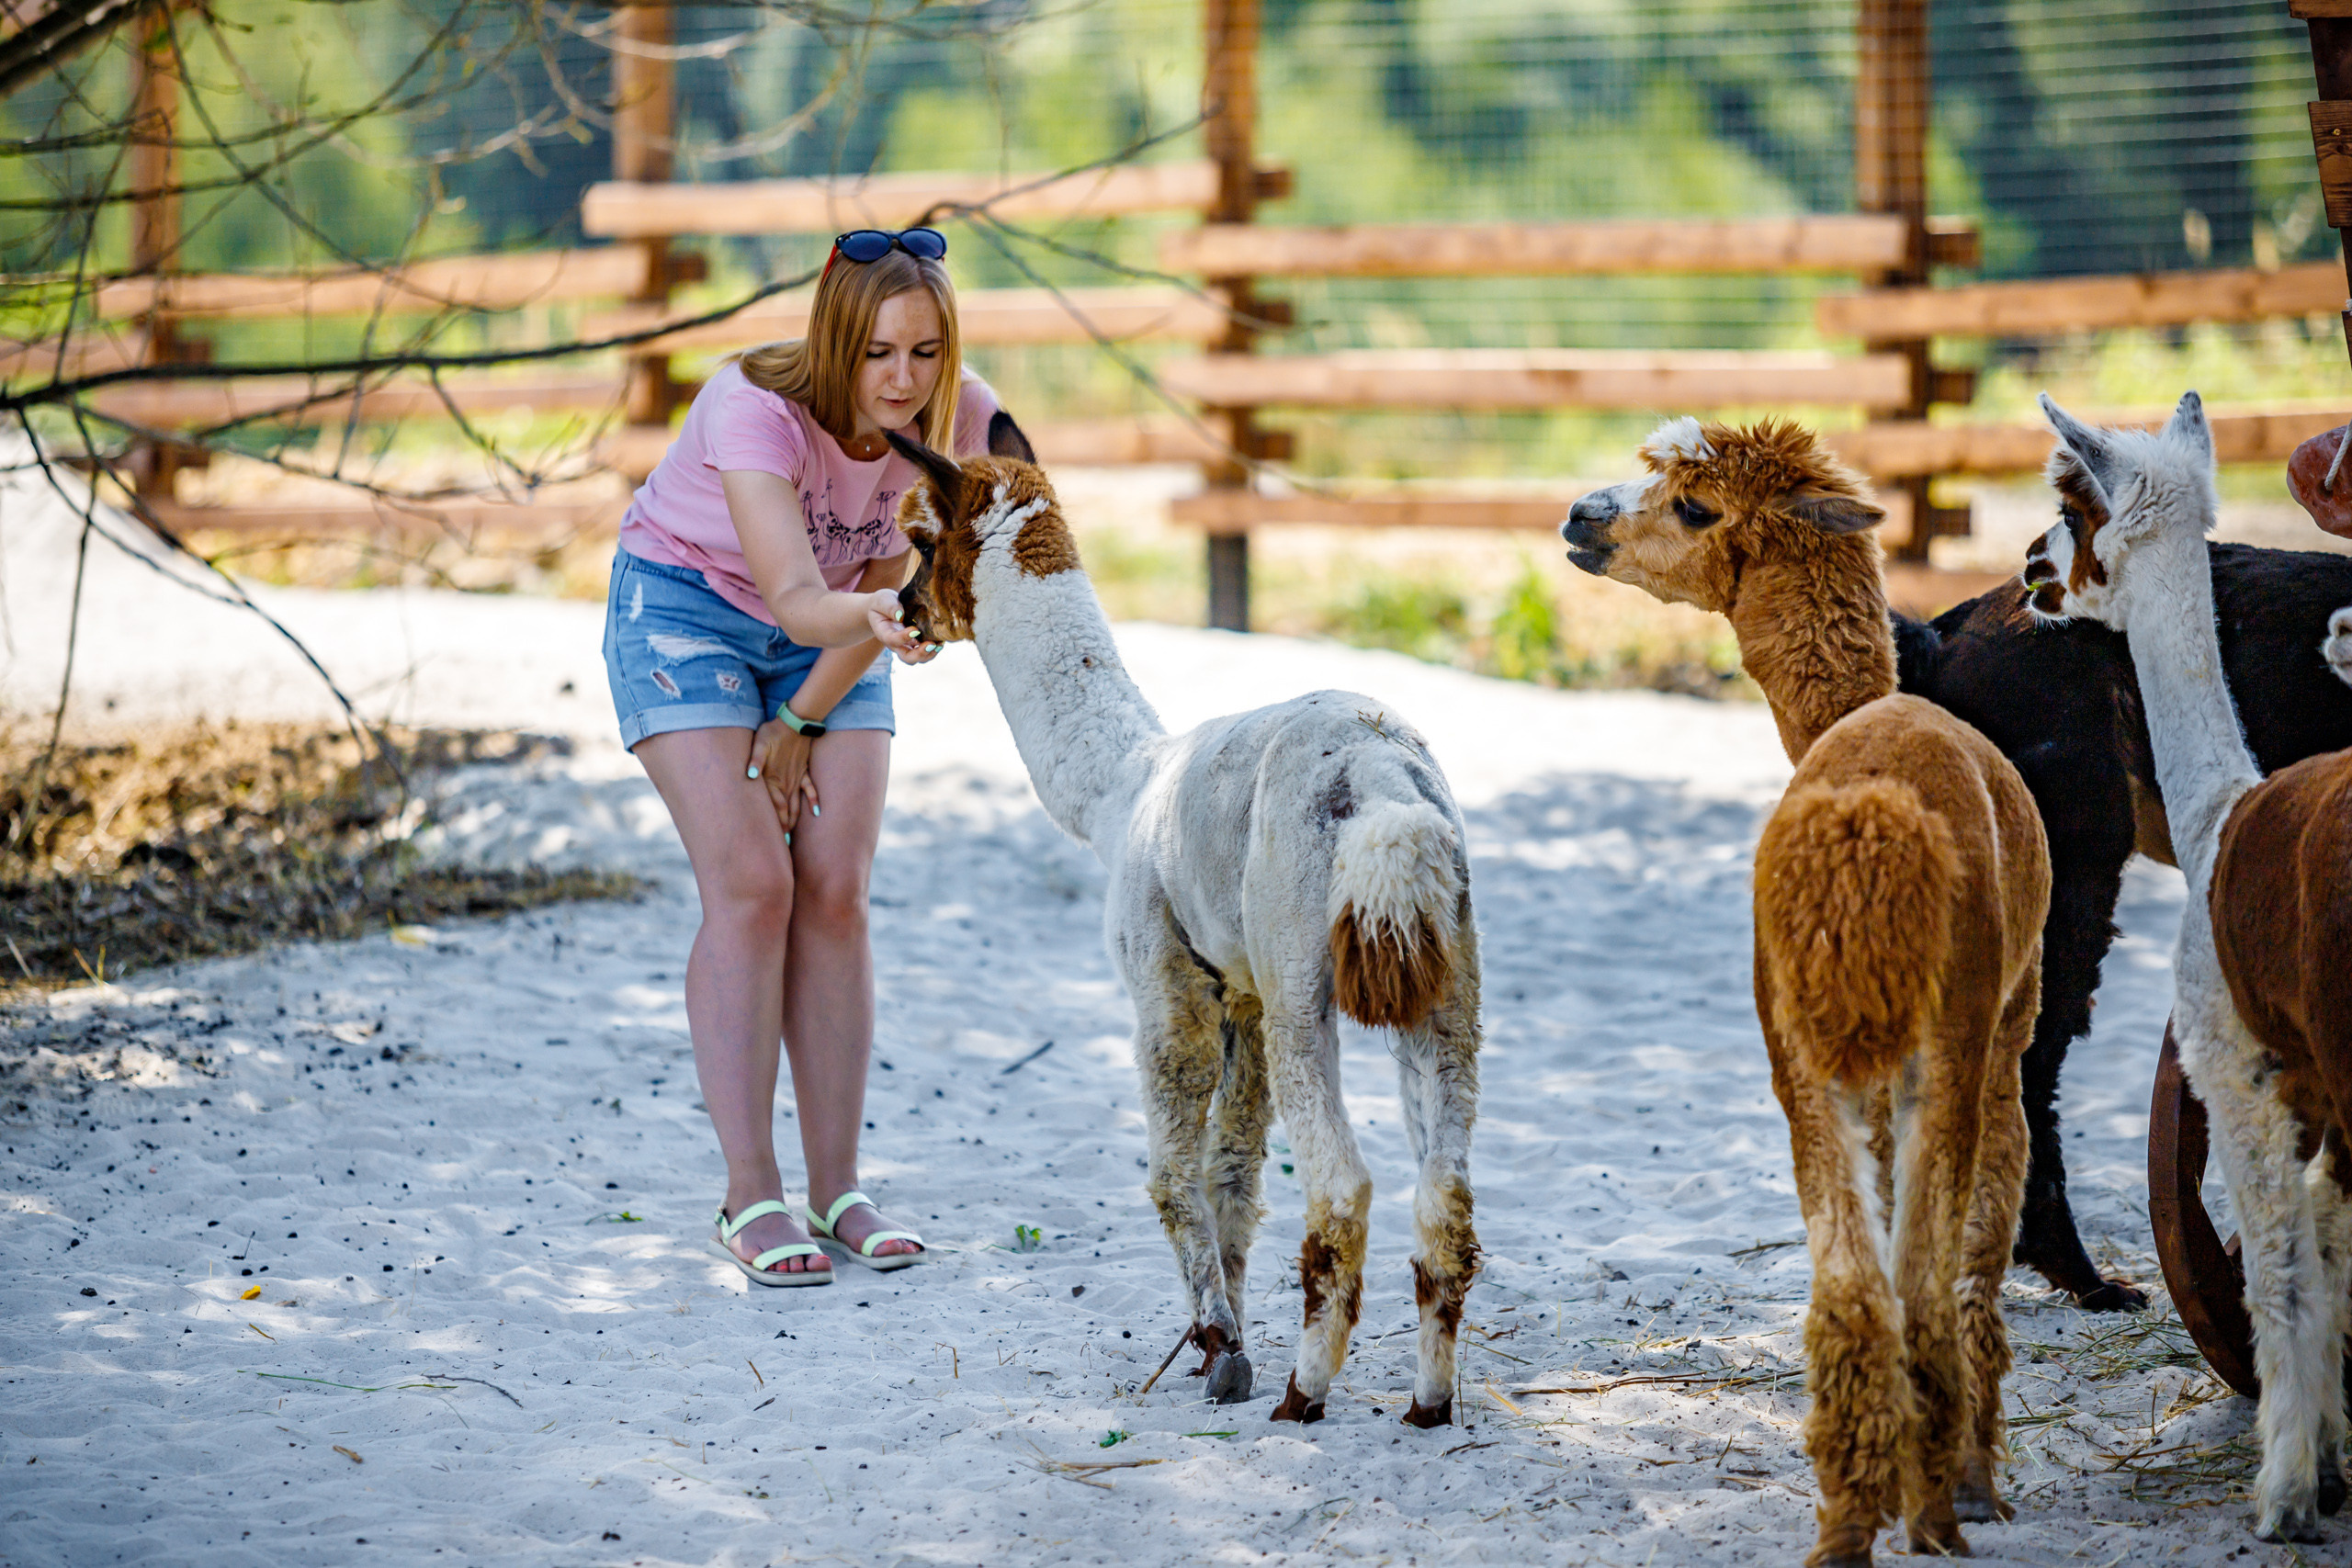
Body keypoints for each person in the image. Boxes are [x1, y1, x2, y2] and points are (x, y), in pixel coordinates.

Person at [602, 227, 1000, 1284]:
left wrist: (802, 721)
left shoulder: (958, 416)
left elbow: (885, 567)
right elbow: (794, 596)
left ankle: (839, 1191)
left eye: (924, 351)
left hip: (838, 635)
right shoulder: (753, 407)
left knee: (834, 887)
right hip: (691, 609)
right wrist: (874, 620)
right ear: (835, 343)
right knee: (750, 882)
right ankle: (750, 1194)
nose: (903, 380)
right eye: (877, 354)